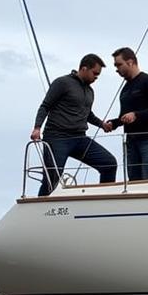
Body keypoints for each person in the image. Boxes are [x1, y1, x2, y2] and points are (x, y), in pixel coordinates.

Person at [31, 54, 117, 195]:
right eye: (95, 73)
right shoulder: (62, 83)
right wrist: (37, 128)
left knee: (109, 163)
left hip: (79, 139)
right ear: (84, 68)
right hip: (57, 138)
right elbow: (45, 106)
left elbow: (88, 114)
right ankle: (39, 208)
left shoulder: (90, 91)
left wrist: (102, 124)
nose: (96, 78)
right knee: (52, 177)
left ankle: (105, 199)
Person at [109, 47, 148, 181]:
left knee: (147, 177)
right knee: (133, 180)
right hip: (131, 141)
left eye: (119, 64)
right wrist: (114, 123)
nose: (117, 69)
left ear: (130, 62)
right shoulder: (125, 89)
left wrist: (136, 115)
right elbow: (125, 116)